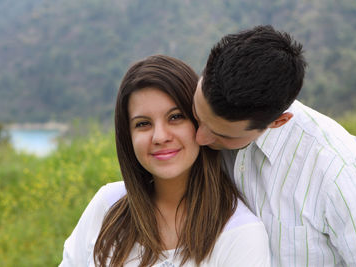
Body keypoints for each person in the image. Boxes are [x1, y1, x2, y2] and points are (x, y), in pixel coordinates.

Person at [59, 55, 270, 266]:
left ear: (200, 122)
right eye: (143, 124)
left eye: (175, 117)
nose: (160, 136)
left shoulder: (241, 234)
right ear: (128, 136)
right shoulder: (107, 206)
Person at [193, 25, 356, 266]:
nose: (199, 138)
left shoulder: (339, 173)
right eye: (198, 116)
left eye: (221, 135)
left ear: (278, 121)